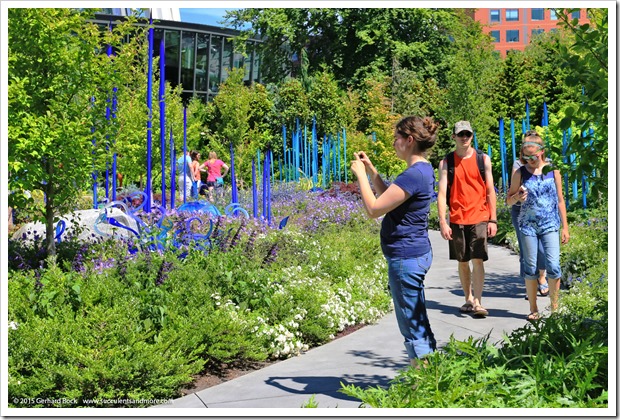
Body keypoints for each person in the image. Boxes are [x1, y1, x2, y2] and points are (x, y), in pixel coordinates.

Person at [350, 115, 438, 366]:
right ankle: (431, 376)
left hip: (405, 257)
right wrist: (372, 172)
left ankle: (422, 384)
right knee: (417, 317)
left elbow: (375, 209)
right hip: (414, 254)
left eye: (397, 137)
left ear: (409, 140)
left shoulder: (413, 174)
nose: (394, 142)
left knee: (411, 324)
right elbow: (391, 198)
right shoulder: (422, 169)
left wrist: (360, 177)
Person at [437, 120, 497, 318]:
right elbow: (442, 193)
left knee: (478, 260)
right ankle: (468, 298)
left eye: (468, 134)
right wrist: (443, 221)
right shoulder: (447, 162)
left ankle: (478, 302)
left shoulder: (483, 159)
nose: (464, 138)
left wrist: (493, 219)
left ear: (472, 136)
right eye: (460, 134)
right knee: (463, 261)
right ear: (453, 136)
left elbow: (490, 191)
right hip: (457, 218)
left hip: (480, 216)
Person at [506, 132, 569, 320]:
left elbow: (560, 200)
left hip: (550, 224)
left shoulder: (553, 170)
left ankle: (555, 308)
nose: (529, 160)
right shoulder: (520, 173)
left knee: (554, 265)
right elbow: (508, 200)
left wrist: (565, 227)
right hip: (528, 226)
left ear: (541, 152)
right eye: (526, 156)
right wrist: (517, 197)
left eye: (533, 156)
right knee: (531, 266)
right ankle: (533, 309)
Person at [510, 130, 549, 298]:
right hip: (521, 211)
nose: (530, 158)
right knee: (527, 251)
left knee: (542, 250)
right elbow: (512, 191)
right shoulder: (518, 166)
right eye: (526, 154)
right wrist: (519, 194)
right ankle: (530, 284)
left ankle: (541, 277)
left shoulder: (549, 165)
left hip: (542, 213)